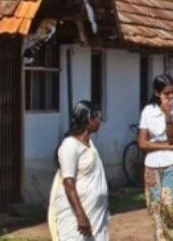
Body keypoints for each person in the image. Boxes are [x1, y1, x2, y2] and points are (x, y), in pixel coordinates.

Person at [137, 75, 173, 241]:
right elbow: (142, 143)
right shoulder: (148, 111)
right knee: (156, 207)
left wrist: (168, 116)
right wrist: (167, 146)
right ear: (157, 93)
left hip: (172, 163)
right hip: (151, 164)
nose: (171, 97)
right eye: (167, 94)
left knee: (172, 206)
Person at [49, 101, 108, 241]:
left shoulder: (89, 144)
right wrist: (80, 215)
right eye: (97, 116)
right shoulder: (70, 145)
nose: (99, 120)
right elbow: (68, 183)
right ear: (89, 119)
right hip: (76, 218)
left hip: (96, 216)